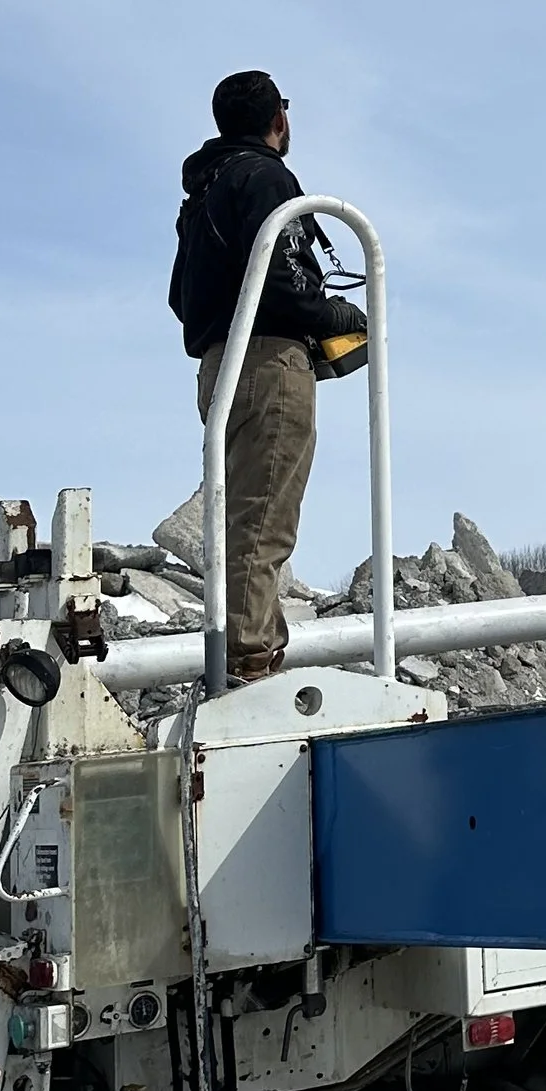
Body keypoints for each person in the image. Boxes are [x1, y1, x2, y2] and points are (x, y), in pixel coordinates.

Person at [168, 70, 365, 684]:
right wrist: (329, 313)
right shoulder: (266, 178)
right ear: (278, 119)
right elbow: (285, 279)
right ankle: (250, 662)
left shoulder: (204, 193)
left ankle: (244, 650)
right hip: (269, 364)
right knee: (261, 525)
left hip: (220, 367)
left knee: (242, 518)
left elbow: (181, 296)